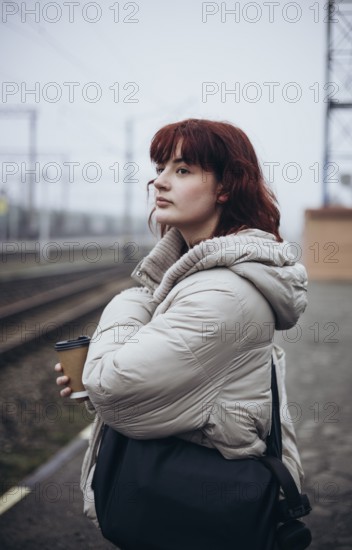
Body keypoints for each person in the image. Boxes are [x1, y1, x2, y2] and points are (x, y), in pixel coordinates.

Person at [55, 118, 308, 543]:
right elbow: (160, 392)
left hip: (195, 509)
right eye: (160, 168)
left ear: (226, 187)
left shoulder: (223, 292)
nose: (160, 182)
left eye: (183, 170)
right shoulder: (199, 278)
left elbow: (115, 387)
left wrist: (131, 301)